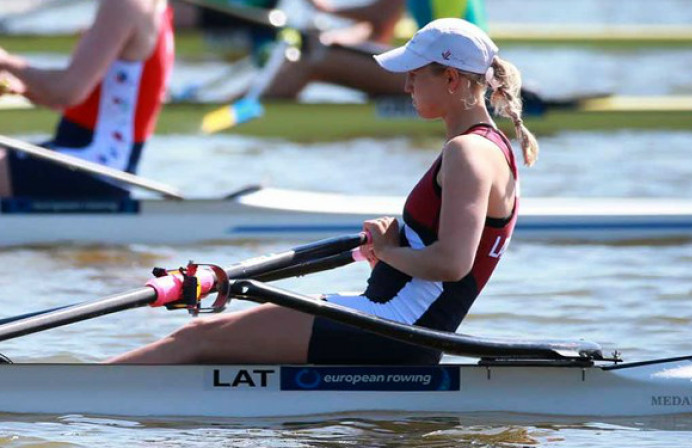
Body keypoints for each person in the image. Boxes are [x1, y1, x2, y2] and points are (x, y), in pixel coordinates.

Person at [108, 18, 538, 365]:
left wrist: (388, 251)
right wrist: (392, 251)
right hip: (394, 321)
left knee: (195, 339)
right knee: (214, 349)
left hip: (392, 328)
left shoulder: (468, 152)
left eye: (413, 75)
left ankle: (63, 398)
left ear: (450, 79)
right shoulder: (488, 146)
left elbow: (452, 263)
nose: (405, 86)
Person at [0, 0, 174, 199]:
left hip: (92, 167)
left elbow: (66, 92)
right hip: (95, 162)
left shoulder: (124, 5)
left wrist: (5, 62)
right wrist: (21, 88)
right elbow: (64, 99)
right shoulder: (152, 5)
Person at [263, 0, 490, 99]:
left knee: (312, 62)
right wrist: (337, 39)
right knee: (317, 55)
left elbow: (380, 17)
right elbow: (382, 29)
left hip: (456, 76)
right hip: (446, 70)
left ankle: (254, 117)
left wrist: (326, 8)